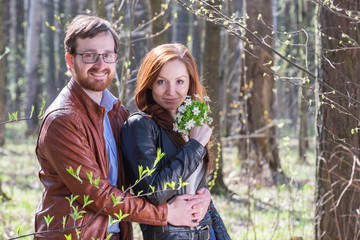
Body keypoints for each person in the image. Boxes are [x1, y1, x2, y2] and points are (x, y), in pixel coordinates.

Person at [34, 15, 210, 240]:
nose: (100, 65)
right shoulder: (63, 120)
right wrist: (165, 213)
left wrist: (203, 195)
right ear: (70, 60)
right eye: (89, 56)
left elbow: (147, 182)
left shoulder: (117, 113)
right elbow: (99, 196)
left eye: (107, 55)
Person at [121, 43, 230, 240]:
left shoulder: (190, 123)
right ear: (149, 83)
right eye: (162, 82)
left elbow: (196, 187)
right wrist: (195, 146)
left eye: (180, 81)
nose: (171, 91)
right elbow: (153, 192)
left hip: (206, 232)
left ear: (190, 82)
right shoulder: (140, 126)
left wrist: (206, 195)